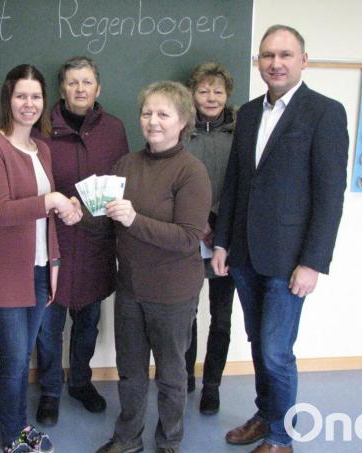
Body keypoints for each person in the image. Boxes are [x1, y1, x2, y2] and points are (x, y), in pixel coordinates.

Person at [211, 25, 349, 453]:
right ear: (259, 62)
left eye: (286, 55)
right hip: (246, 254)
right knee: (258, 343)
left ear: (303, 60)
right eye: (268, 55)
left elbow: (330, 195)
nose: (276, 63)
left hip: (291, 261)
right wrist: (222, 242)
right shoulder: (248, 114)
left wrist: (313, 262)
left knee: (275, 351)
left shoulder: (325, 112)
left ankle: (280, 437)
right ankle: (265, 414)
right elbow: (235, 184)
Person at [94, 81, 211, 453]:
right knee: (130, 373)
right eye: (147, 113)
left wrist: (134, 220)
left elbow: (188, 237)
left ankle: (169, 441)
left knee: (172, 376)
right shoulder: (126, 164)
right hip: (130, 289)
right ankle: (128, 439)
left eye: (163, 114)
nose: (153, 121)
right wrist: (74, 211)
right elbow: (107, 221)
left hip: (173, 294)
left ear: (182, 121)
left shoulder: (191, 171)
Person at [0, 64, 82, 453]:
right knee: (16, 359)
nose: (29, 103)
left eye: (36, 96)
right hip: (3, 274)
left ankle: (18, 428)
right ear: (8, 99)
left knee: (22, 356)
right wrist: (49, 201)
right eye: (21, 95)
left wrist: (63, 213)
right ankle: (13, 436)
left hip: (38, 271)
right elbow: (0, 211)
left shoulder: (43, 149)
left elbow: (43, 213)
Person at [32, 56, 129, 427]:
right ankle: (52, 390)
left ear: (98, 88)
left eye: (87, 82)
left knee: (88, 322)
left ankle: (81, 382)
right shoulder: (40, 128)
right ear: (61, 90)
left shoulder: (115, 129)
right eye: (72, 83)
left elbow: (121, 182)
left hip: (95, 244)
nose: (80, 89)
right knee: (48, 325)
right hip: (52, 241)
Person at [182, 61, 238, 415]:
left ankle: (212, 385)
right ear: (192, 94)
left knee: (222, 317)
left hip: (227, 238)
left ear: (227, 95)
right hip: (189, 236)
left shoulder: (241, 133)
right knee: (186, 313)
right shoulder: (180, 132)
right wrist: (199, 222)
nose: (211, 97)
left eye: (218, 90)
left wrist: (222, 228)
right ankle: (184, 376)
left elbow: (245, 184)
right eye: (204, 90)